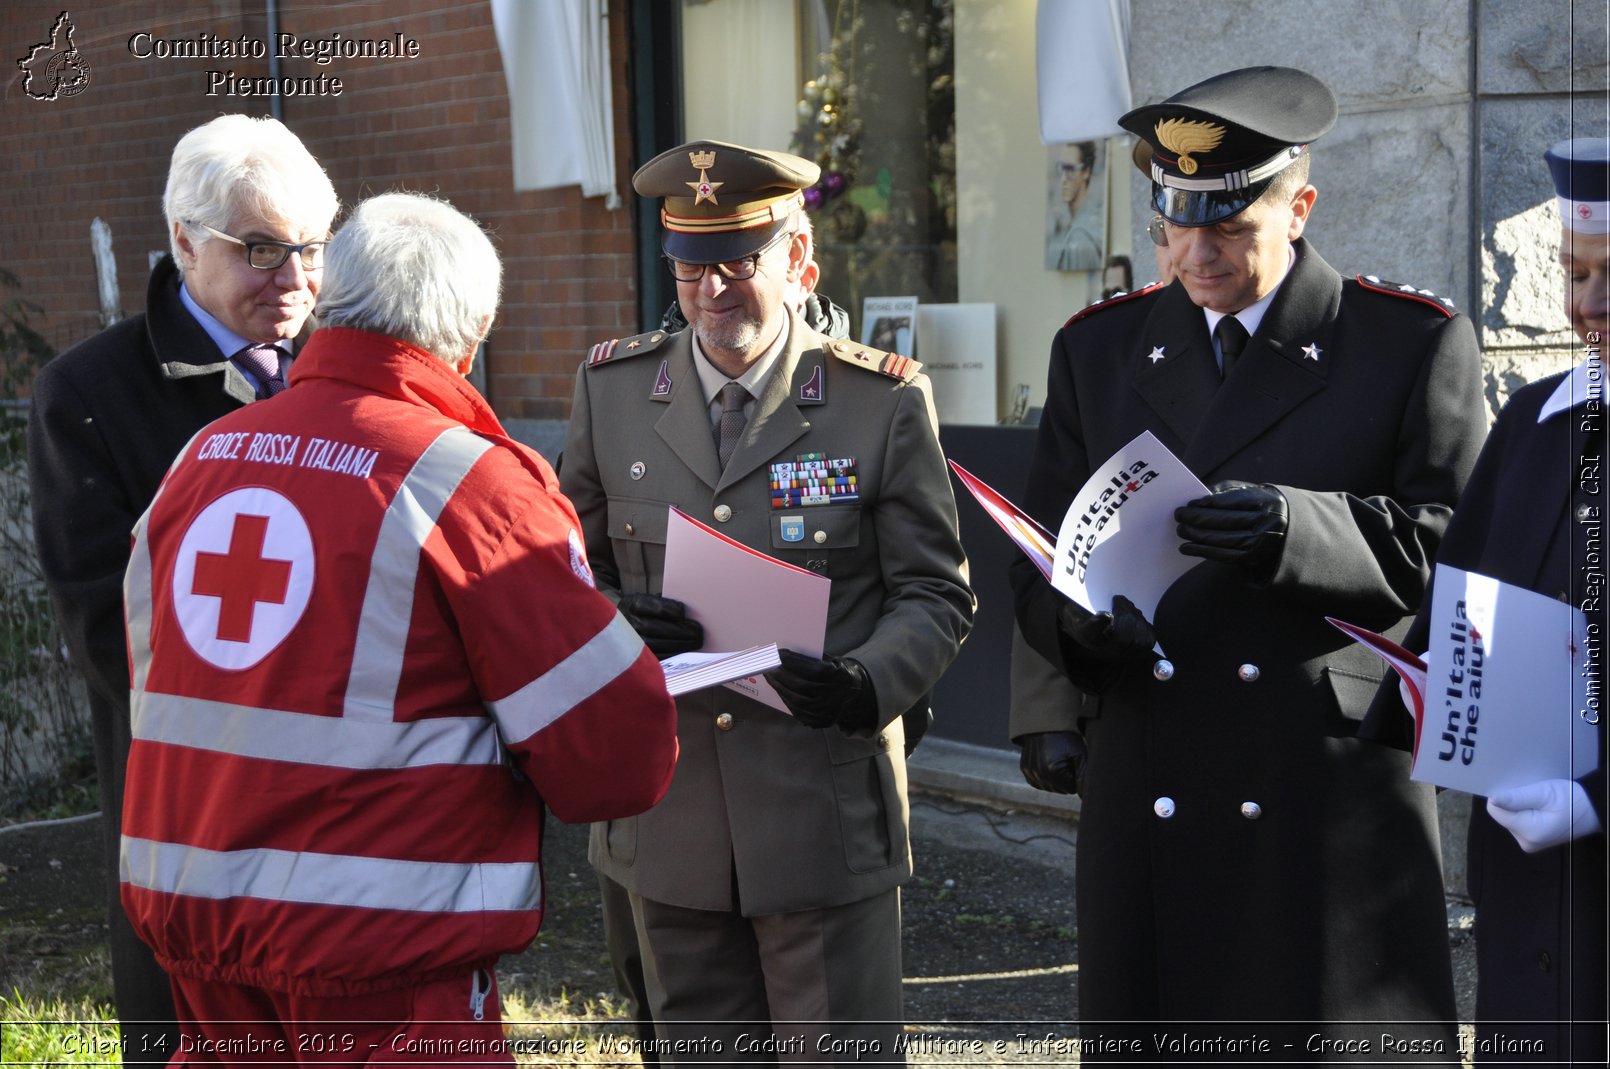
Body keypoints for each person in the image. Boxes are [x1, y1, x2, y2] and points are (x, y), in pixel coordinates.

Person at [116, 191, 679, 1059]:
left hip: (198, 928)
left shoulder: (200, 462)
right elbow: (613, 757)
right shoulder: (471, 485)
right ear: (473, 333)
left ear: (328, 301)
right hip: (385, 954)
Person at [1009, 67, 1487, 1057]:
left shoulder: (1404, 343)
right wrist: (1075, 630)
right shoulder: (1098, 352)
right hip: (1152, 757)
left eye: (1226, 226)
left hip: (1320, 778)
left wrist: (1296, 532)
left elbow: (1464, 551)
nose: (1195, 253)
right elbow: (1042, 551)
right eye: (1173, 226)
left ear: (1298, 207)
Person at [561, 139, 974, 1064]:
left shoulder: (881, 403)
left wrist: (867, 681)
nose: (713, 290)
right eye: (692, 265)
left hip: (820, 808)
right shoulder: (614, 391)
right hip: (663, 815)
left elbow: (935, 591)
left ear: (799, 262)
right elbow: (561, 568)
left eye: (740, 262)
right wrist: (607, 619)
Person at [27, 113, 338, 1064]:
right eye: (260, 251)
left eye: (312, 249)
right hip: (191, 811)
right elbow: (101, 621)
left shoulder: (346, 366)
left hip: (345, 819)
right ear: (182, 243)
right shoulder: (88, 391)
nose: (293, 280)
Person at [1365, 138, 1608, 1065]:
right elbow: (1459, 617)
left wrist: (1598, 797)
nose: (1587, 307)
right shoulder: (1535, 424)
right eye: (1575, 274)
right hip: (1525, 889)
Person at [1048, 140, 1103, 271]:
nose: (1063, 179)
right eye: (1061, 169)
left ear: (1086, 172)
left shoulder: (1080, 236)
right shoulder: (1073, 225)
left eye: (1070, 169)